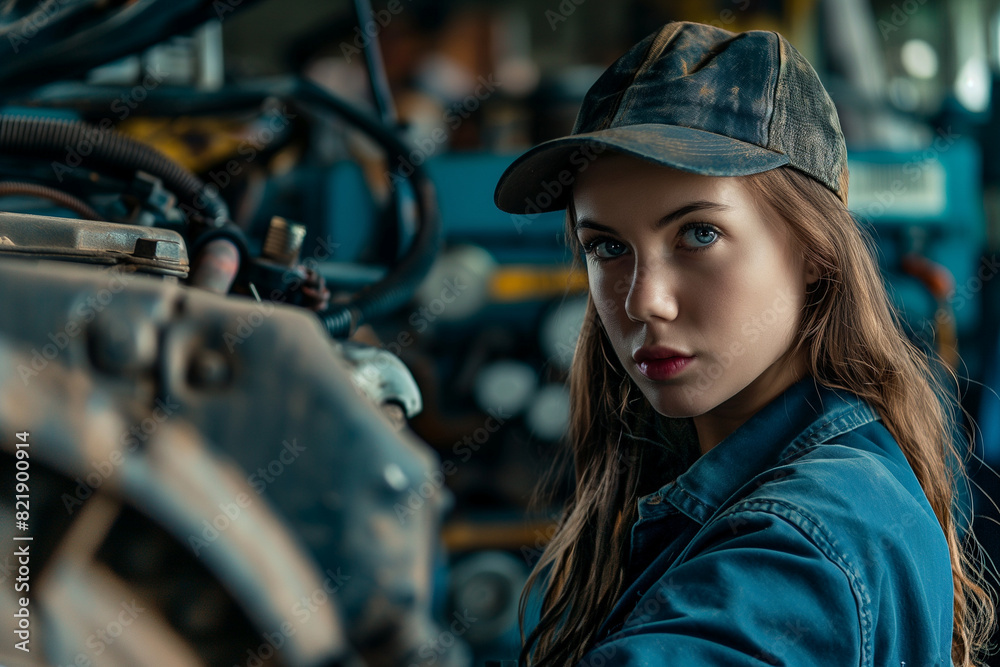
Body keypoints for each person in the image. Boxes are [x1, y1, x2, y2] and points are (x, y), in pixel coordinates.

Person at [493, 21, 994, 667]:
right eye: (608, 247)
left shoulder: (804, 543)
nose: (644, 300)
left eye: (698, 234)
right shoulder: (835, 475)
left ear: (815, 251)